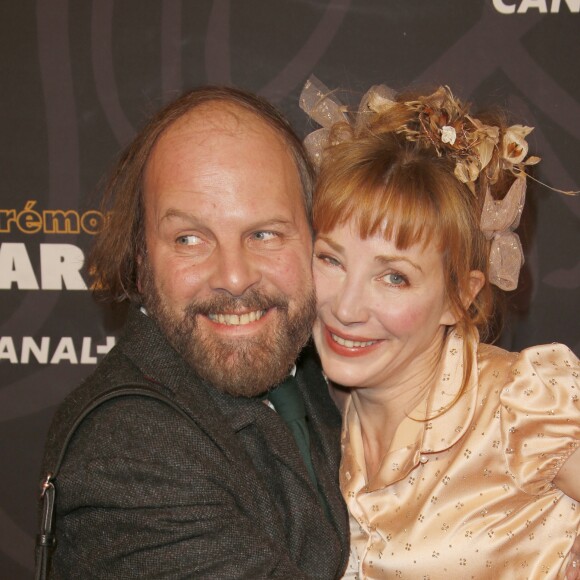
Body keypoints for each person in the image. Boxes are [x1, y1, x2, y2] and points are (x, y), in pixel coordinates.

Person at [38, 86, 349, 578]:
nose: (233, 276)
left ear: (316, 241)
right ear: (141, 262)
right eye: (190, 239)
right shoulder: (128, 455)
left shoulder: (326, 376)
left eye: (264, 233)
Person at [300, 78, 580, 578]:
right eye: (331, 259)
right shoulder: (309, 421)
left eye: (394, 277)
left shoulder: (522, 404)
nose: (346, 306)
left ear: (460, 296)